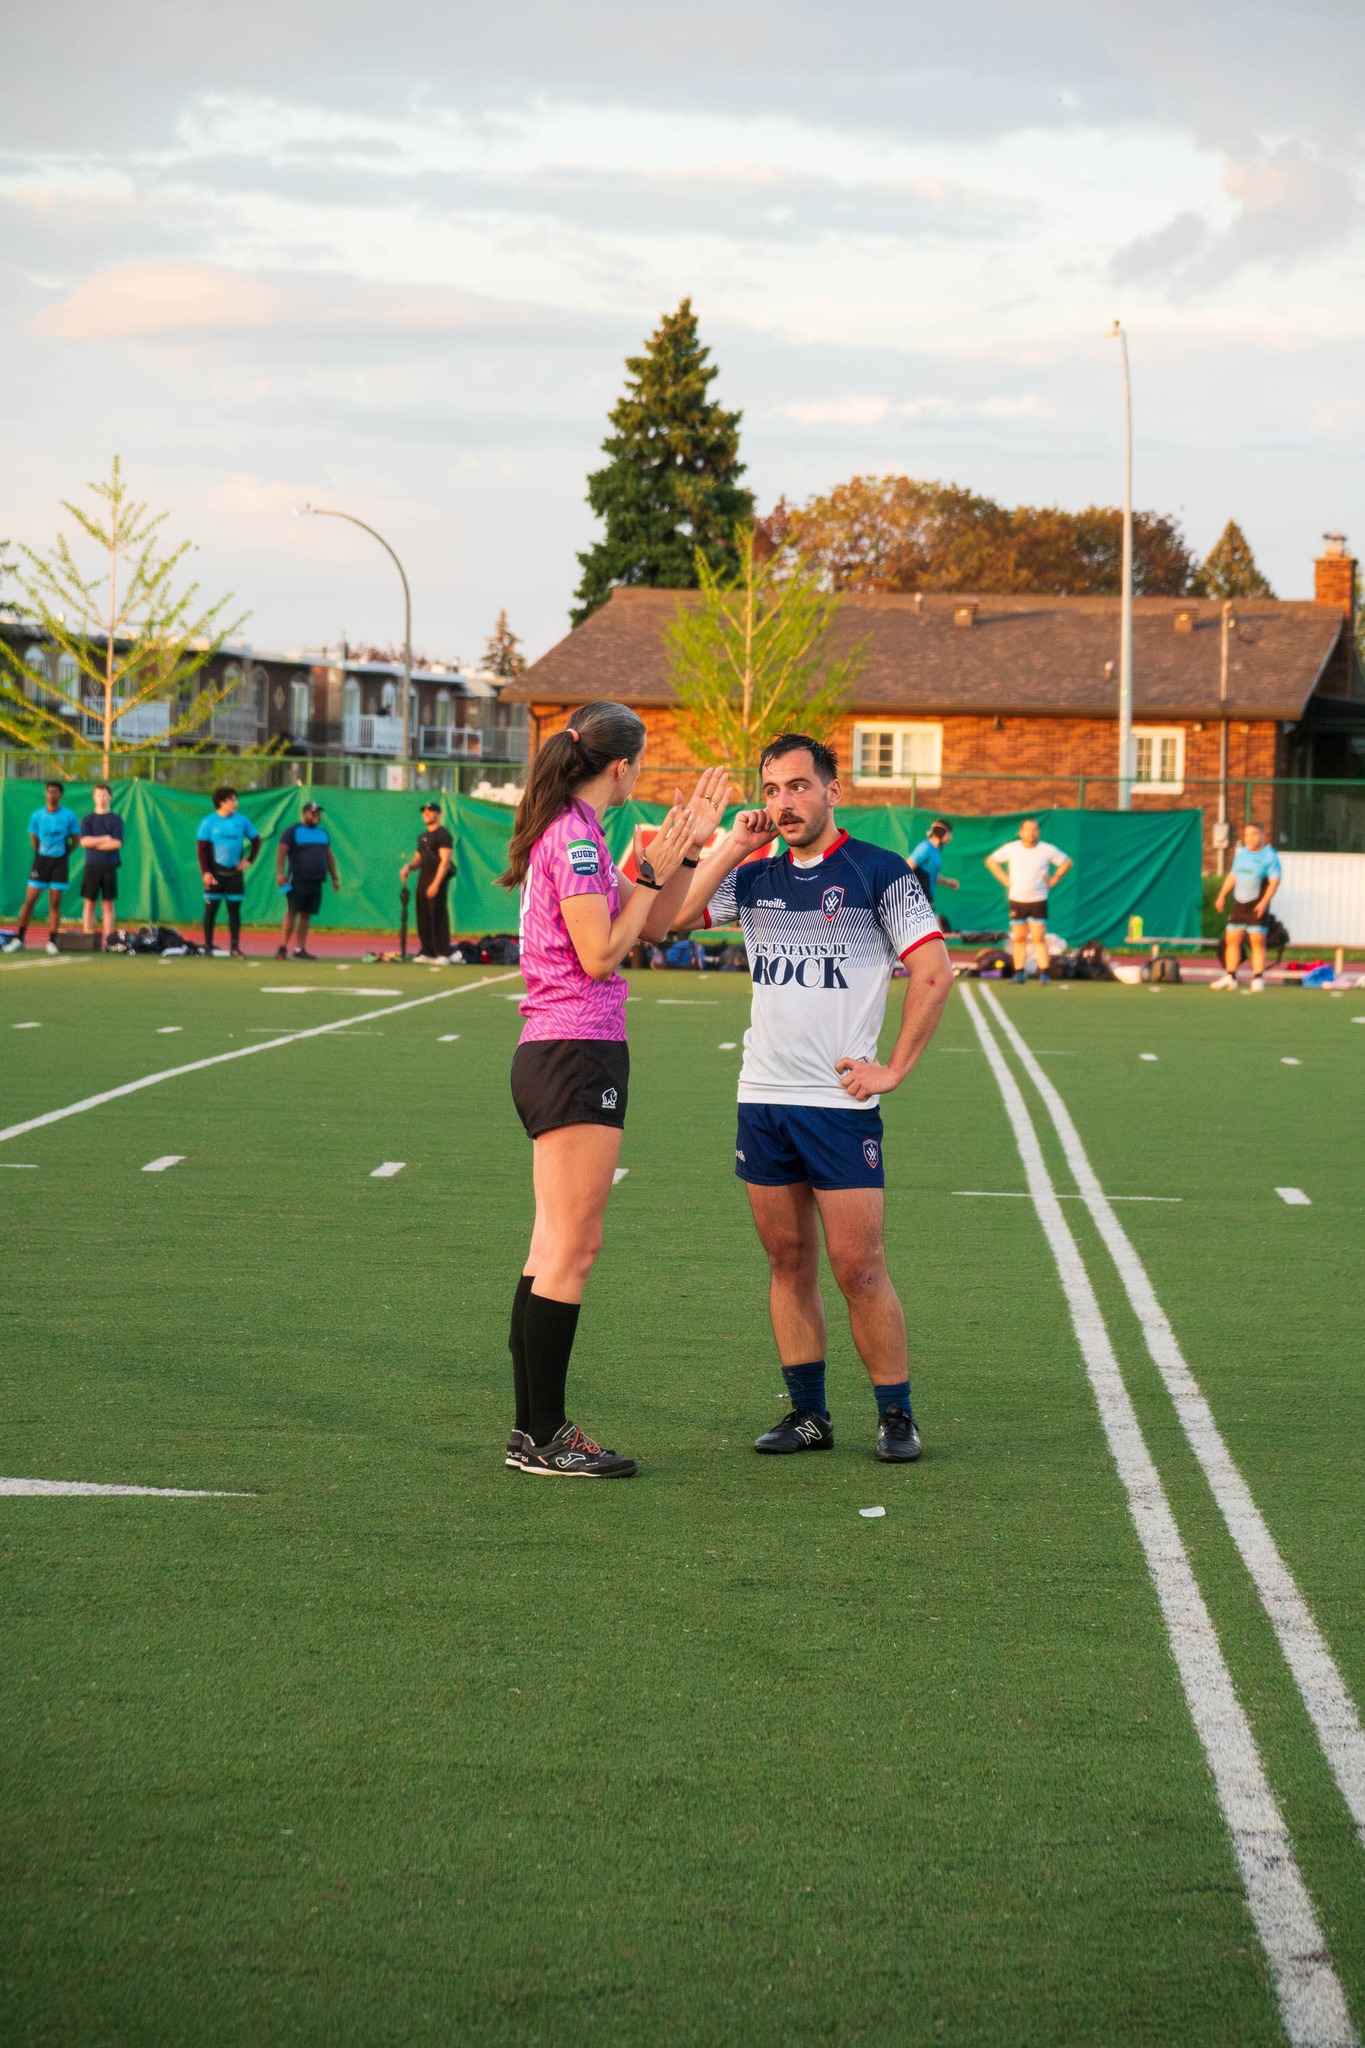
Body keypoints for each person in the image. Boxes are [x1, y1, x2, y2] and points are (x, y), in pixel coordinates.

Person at [674, 733, 951, 1464]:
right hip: (762, 1097)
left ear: (833, 790)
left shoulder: (879, 872)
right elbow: (670, 919)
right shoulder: (754, 875)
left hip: (837, 1105)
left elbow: (934, 972)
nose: (784, 803)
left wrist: (893, 1068)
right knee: (786, 1261)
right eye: (771, 790)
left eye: (798, 786)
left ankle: (895, 1415)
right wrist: (728, 846)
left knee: (859, 1268)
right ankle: (808, 1415)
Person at [498, 703, 730, 1478]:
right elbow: (600, 953)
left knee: (550, 1246)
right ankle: (545, 1435)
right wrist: (654, 868)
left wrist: (689, 848)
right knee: (573, 1247)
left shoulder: (579, 832)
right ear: (621, 766)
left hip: (566, 1050)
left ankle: (531, 1431)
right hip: (574, 1050)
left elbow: (654, 925)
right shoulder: (576, 838)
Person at [985, 818, 1072, 983]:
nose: (1031, 833)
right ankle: (1019, 973)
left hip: (1038, 899)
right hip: (1017, 900)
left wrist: (1054, 879)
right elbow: (991, 861)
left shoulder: (1046, 849)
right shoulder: (1012, 848)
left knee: (1039, 938)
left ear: (1038, 832)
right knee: (1019, 938)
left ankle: (1044, 973)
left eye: (1034, 829)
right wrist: (1005, 879)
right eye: (1027, 830)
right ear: (1021, 832)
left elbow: (1066, 862)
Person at [3, 782, 81, 954]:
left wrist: (63, 853)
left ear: (60, 795)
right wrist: (42, 855)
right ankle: (19, 939)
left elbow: (75, 840)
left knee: (55, 902)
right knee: (30, 900)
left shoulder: (69, 816)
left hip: (60, 863)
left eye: (55, 792)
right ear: (46, 794)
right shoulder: (37, 815)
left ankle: (52, 942)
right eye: (49, 792)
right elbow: (34, 839)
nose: (52, 794)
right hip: (40, 863)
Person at [1211, 822, 1281, 991]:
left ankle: (1258, 978)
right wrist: (1222, 895)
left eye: (1254, 834)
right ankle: (1231, 976)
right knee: (1232, 939)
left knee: (1257, 940)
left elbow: (1274, 881)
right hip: (1239, 904)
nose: (1250, 838)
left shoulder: (1269, 855)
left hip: (1256, 905)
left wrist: (1264, 902)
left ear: (1262, 835)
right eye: (1247, 834)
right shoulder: (1241, 854)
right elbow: (1233, 876)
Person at [196, 786, 260, 957]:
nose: (235, 802)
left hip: (234, 875)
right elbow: (202, 851)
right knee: (210, 911)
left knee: (234, 912)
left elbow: (256, 840)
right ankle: (208, 946)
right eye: (232, 800)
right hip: (215, 875)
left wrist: (249, 860)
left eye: (235, 799)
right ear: (222, 802)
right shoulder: (208, 822)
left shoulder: (241, 821)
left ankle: (234, 947)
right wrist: (206, 872)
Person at [276, 800, 339, 959]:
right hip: (296, 878)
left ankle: (299, 949)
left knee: (306, 914)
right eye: (313, 813)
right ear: (304, 814)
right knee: (292, 912)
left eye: (318, 813)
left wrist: (334, 877)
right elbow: (281, 851)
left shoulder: (323, 834)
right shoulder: (292, 831)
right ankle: (282, 948)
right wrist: (280, 873)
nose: (316, 816)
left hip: (316, 880)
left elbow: (329, 856)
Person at [400, 801, 454, 962]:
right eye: (424, 811)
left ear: (439, 814)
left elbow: (445, 862)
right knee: (423, 915)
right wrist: (408, 867)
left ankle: (443, 953)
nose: (426, 814)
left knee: (437, 914)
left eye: (430, 811)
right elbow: (418, 860)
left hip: (437, 880)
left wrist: (436, 884)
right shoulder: (422, 837)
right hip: (423, 879)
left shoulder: (443, 834)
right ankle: (428, 951)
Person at [79, 782, 125, 945]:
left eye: (105, 795)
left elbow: (117, 843)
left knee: (108, 904)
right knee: (89, 903)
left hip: (109, 866)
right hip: (91, 866)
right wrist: (105, 838)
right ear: (94, 797)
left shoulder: (116, 820)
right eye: (99, 795)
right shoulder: (88, 820)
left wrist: (95, 843)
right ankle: (87, 938)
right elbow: (84, 842)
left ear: (110, 797)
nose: (102, 798)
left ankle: (109, 941)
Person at [909, 819, 960, 912]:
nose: (950, 838)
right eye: (949, 834)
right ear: (942, 832)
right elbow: (907, 867)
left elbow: (931, 875)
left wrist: (947, 882)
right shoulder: (925, 848)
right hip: (917, 901)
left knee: (939, 921)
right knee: (939, 921)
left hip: (927, 899)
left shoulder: (935, 851)